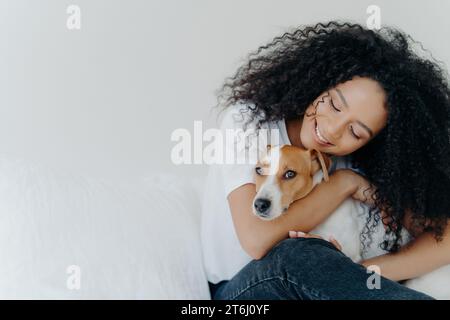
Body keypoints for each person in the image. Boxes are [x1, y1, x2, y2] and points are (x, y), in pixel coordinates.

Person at [200, 21, 450, 300]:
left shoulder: (359, 161)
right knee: (297, 254)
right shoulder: (250, 121)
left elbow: (446, 237)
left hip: (325, 283)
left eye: (355, 131)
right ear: (320, 83)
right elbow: (257, 240)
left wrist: (361, 272)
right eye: (333, 104)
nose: (331, 129)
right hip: (240, 290)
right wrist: (344, 184)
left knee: (314, 257)